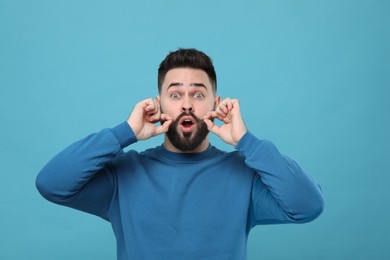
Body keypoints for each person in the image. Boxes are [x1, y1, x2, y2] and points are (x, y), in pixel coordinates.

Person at [36, 48, 324, 260]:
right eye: (175, 95)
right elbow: (51, 183)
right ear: (159, 105)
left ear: (217, 103)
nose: (187, 105)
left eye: (198, 95)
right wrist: (125, 133)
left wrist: (246, 141)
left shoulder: (243, 174)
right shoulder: (124, 174)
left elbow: (308, 205)